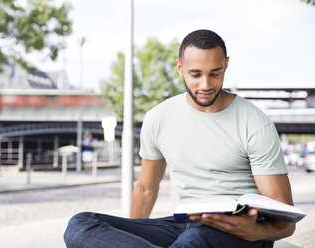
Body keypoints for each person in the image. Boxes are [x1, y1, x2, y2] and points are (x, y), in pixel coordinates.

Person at [63, 29, 295, 248]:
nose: (205, 84)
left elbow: (285, 218)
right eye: (195, 74)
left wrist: (255, 232)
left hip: (238, 231)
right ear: (180, 68)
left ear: (226, 65)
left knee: (195, 239)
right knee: (80, 225)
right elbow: (145, 188)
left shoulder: (254, 122)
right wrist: (132, 235)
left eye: (215, 73)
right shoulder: (159, 117)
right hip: (181, 225)